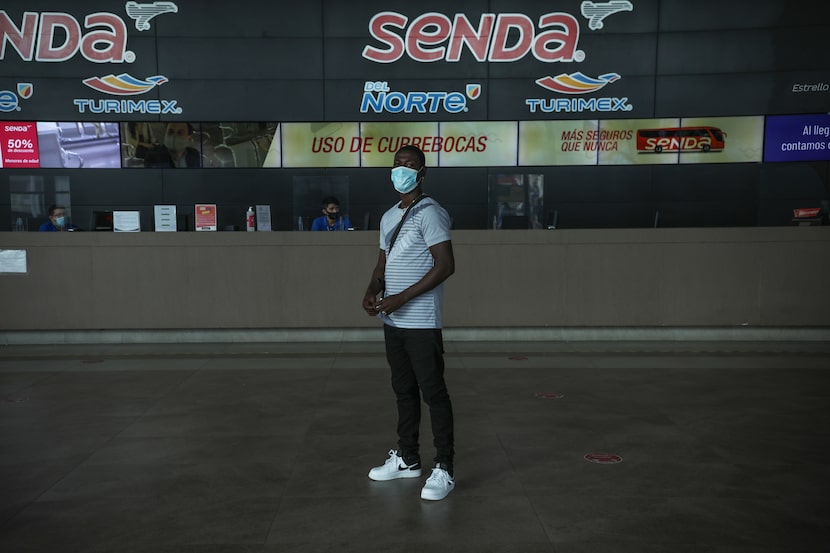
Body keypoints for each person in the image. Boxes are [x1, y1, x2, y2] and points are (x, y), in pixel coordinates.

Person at [362, 144, 456, 501]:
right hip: (393, 322)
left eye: (410, 164)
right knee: (403, 390)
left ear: (422, 172)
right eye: (398, 163)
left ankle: (444, 467)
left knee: (434, 393)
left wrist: (402, 298)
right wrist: (372, 289)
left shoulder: (431, 213)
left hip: (421, 321)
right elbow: (382, 264)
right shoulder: (388, 216)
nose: (402, 169)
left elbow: (445, 266)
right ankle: (408, 458)